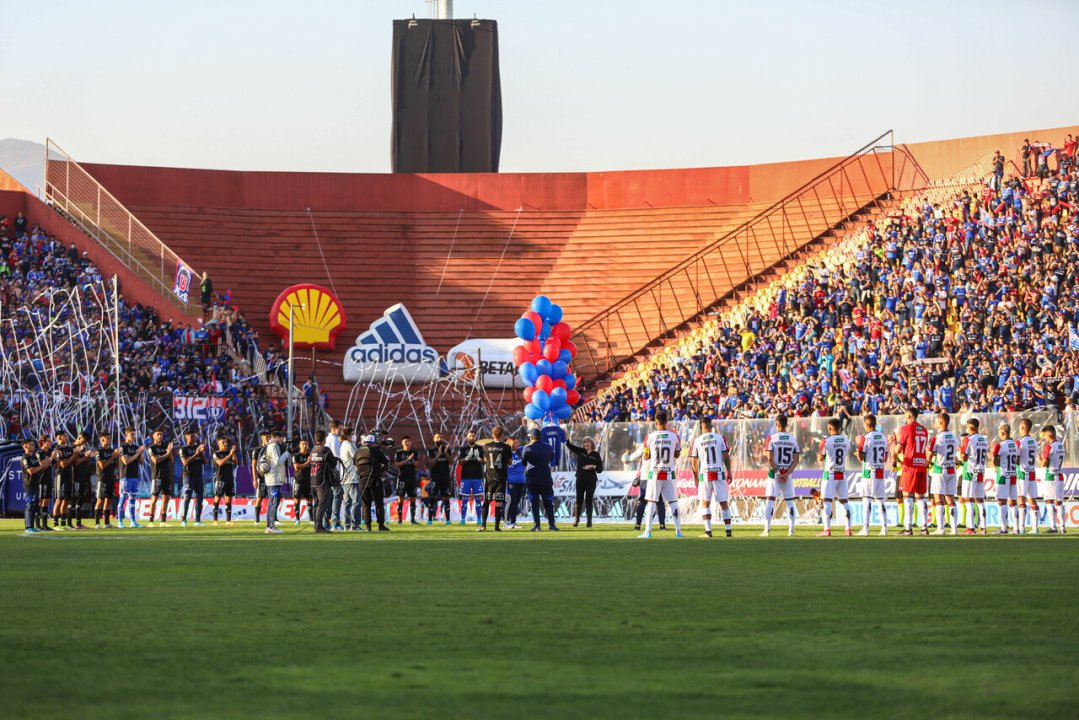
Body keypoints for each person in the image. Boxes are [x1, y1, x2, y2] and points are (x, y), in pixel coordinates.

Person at [638, 410, 683, 539]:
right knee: (673, 501)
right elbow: (677, 454)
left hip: (655, 473)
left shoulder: (650, 437)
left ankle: (648, 532)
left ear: (656, 422)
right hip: (669, 473)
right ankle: (678, 531)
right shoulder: (674, 436)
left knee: (651, 501)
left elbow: (646, 457)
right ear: (666, 422)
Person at [690, 417, 732, 538]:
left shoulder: (697, 441)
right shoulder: (720, 438)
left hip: (705, 475)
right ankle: (728, 531)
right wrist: (729, 472)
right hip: (719, 473)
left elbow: (693, 462)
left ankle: (708, 532)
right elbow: (726, 456)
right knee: (723, 502)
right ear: (711, 426)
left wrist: (696, 478)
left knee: (705, 503)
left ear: (701, 427)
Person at [762, 414, 801, 537]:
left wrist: (778, 473)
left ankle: (767, 530)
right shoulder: (793, 439)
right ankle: (791, 530)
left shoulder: (771, 438)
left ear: (776, 424)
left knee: (770, 501)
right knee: (790, 502)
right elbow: (796, 460)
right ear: (787, 424)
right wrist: (786, 474)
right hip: (787, 475)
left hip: (774, 474)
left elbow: (769, 458)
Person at [892, 408, 929, 536]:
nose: (904, 418)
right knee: (920, 497)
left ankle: (908, 528)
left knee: (907, 497)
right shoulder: (924, 430)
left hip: (910, 466)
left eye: (905, 416)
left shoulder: (905, 428)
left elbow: (898, 450)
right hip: (922, 465)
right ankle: (924, 528)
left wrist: (894, 442)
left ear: (909, 415)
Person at [817, 418, 852, 537]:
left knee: (827, 501)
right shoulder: (846, 440)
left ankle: (827, 530)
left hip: (829, 473)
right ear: (840, 428)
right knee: (844, 502)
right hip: (842, 472)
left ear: (830, 428)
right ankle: (848, 529)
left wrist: (820, 453)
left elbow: (821, 459)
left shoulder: (826, 441)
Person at [855, 414, 889, 536]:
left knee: (866, 499)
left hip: (868, 472)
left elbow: (862, 457)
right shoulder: (883, 437)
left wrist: (857, 454)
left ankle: (866, 528)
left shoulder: (865, 438)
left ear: (867, 424)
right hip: (880, 471)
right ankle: (884, 528)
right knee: (880, 500)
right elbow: (885, 458)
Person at [927, 413, 959, 535]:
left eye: (936, 422)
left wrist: (928, 459)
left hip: (939, 470)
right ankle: (954, 529)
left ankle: (941, 528)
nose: (935, 424)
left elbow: (929, 456)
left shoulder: (937, 438)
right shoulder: (953, 436)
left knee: (938, 499)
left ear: (941, 423)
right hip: (951, 469)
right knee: (950, 500)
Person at [521, 427, 558, 531]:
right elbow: (551, 459)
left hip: (532, 479)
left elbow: (524, 463)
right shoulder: (549, 447)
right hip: (546, 477)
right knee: (549, 502)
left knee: (534, 503)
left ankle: (537, 526)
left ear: (532, 438)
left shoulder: (527, 448)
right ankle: (552, 525)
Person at [957, 418, 989, 535]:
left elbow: (964, 458)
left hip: (969, 472)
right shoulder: (984, 439)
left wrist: (960, 451)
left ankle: (970, 528)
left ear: (970, 428)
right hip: (980, 471)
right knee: (980, 500)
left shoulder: (968, 439)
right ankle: (983, 527)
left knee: (968, 499)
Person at [565, 436, 603, 528]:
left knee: (589, 500)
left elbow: (600, 469)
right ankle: (576, 519)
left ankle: (589, 521)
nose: (586, 444)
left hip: (591, 480)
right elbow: (569, 445)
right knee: (579, 500)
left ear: (591, 444)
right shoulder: (580, 451)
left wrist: (592, 466)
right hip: (580, 479)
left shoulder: (596, 454)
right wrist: (565, 435)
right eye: (584, 442)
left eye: (588, 442)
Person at [355, 434, 390, 531]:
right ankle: (381, 526)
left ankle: (368, 526)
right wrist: (381, 469)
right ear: (374, 443)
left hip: (362, 480)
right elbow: (386, 463)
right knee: (379, 503)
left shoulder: (358, 451)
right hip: (375, 479)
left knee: (366, 504)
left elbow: (356, 465)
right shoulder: (376, 450)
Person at [479, 426, 511, 532]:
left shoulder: (486, 446)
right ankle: (496, 527)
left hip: (489, 478)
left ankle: (483, 525)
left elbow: (485, 459)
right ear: (502, 435)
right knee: (499, 503)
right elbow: (510, 462)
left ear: (492, 434)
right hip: (501, 478)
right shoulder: (506, 447)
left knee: (486, 501)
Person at [989, 424, 1020, 534]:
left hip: (1003, 476)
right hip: (1013, 475)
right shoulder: (1015, 445)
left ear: (1002, 432)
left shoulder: (1000, 445)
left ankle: (1003, 528)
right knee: (1013, 502)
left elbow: (995, 463)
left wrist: (994, 456)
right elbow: (1017, 461)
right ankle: (1016, 528)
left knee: (1002, 502)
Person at [1038, 425, 1065, 534]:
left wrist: (1039, 459)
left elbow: (1044, 464)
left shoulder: (1049, 447)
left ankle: (1053, 527)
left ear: (1049, 435)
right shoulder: (1061, 445)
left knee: (1048, 501)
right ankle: (1063, 527)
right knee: (1059, 502)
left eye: (1045, 436)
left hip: (1051, 476)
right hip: (1060, 475)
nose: (1045, 439)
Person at [1016, 418, 1040, 534]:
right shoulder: (1034, 442)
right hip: (1032, 472)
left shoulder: (1020, 442)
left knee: (1021, 498)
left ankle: (1021, 527)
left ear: (1022, 427)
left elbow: (1016, 459)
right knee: (1032, 500)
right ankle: (1035, 528)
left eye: (1020, 427)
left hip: (1022, 472)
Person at [20, 438, 50, 532]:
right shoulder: (25, 458)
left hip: (36, 483)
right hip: (29, 484)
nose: (33, 446)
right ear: (25, 446)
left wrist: (48, 461)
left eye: (33, 444)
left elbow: (41, 468)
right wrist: (41, 466)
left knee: (35, 505)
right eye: (31, 444)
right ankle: (28, 527)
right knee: (30, 505)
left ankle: (32, 527)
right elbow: (31, 471)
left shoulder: (33, 457)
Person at [147, 429, 175, 527]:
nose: (160, 436)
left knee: (166, 498)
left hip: (166, 476)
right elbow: (155, 460)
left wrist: (169, 451)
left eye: (161, 434)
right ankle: (151, 521)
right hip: (157, 476)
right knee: (154, 499)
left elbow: (172, 461)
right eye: (158, 434)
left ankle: (163, 521)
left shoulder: (165, 446)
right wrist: (166, 454)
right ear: (153, 436)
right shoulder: (151, 447)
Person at [456, 431, 485, 525]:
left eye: (473, 436)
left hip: (477, 477)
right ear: (467, 438)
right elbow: (460, 462)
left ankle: (479, 519)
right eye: (470, 436)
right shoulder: (463, 449)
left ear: (475, 437)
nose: (472, 438)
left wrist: (478, 459)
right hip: (466, 477)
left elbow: (484, 462)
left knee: (478, 499)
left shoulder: (480, 448)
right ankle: (463, 519)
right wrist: (467, 458)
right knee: (464, 499)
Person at [308, 431, 335, 533]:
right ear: (324, 439)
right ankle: (319, 526)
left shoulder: (313, 450)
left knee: (317, 504)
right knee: (322, 504)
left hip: (313, 480)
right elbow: (333, 462)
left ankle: (316, 524)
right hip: (322, 481)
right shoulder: (325, 449)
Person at [118, 427, 145, 528]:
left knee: (132, 499)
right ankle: (120, 521)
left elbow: (141, 462)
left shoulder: (135, 447)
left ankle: (133, 521)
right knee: (123, 498)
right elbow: (126, 461)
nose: (134, 436)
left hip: (134, 476)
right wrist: (137, 453)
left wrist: (140, 452)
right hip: (125, 476)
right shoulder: (123, 446)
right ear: (127, 435)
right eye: (132, 434)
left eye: (135, 434)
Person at [179, 431, 206, 526]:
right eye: (191, 436)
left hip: (198, 476)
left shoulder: (197, 447)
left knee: (200, 497)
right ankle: (184, 520)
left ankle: (197, 521)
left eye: (194, 437)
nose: (193, 438)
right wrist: (195, 454)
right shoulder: (183, 449)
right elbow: (185, 462)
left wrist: (201, 453)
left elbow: (205, 462)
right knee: (187, 497)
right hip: (188, 476)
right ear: (186, 437)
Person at [262, 430, 288, 534]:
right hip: (274, 478)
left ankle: (270, 526)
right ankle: (271, 527)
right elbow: (278, 461)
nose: (282, 440)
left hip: (272, 478)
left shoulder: (269, 446)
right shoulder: (274, 446)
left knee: (272, 503)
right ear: (276, 437)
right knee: (273, 503)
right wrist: (287, 453)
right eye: (281, 438)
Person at [93, 432, 120, 529]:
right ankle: (97, 523)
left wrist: (117, 457)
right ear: (102, 440)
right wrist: (112, 457)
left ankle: (107, 523)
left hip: (111, 478)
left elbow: (115, 465)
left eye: (110, 437)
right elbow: (102, 466)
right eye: (107, 438)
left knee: (109, 500)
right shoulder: (99, 451)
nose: (109, 439)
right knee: (100, 500)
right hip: (102, 478)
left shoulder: (111, 450)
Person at [51, 432, 75, 530]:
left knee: (66, 500)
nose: (67, 437)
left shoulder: (69, 448)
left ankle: (64, 523)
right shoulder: (57, 449)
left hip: (69, 476)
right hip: (60, 476)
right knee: (59, 500)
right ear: (59, 437)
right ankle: (56, 524)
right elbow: (63, 464)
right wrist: (74, 456)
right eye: (64, 436)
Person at [394, 436, 421, 525]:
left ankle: (412, 520)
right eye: (406, 441)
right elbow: (397, 465)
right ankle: (399, 520)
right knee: (400, 498)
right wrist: (407, 460)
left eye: (409, 441)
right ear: (402, 443)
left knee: (412, 498)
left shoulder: (414, 452)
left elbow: (417, 465)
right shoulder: (398, 453)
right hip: (402, 478)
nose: (408, 443)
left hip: (412, 479)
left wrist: (412, 459)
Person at [211, 437, 238, 526]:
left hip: (230, 478)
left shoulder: (229, 453)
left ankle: (228, 520)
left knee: (229, 498)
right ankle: (215, 520)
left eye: (226, 442)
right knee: (218, 497)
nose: (225, 444)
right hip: (221, 479)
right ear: (219, 444)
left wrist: (233, 453)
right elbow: (220, 463)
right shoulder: (216, 454)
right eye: (223, 442)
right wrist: (230, 455)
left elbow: (236, 462)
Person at [427, 433, 453, 525]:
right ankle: (430, 519)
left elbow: (451, 462)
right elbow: (431, 464)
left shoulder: (447, 449)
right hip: (435, 477)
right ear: (434, 439)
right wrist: (438, 454)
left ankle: (448, 520)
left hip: (445, 477)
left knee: (446, 497)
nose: (439, 439)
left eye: (441, 437)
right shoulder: (431, 450)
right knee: (432, 497)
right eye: (437, 437)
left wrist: (445, 453)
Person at [71, 433, 93, 530]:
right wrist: (84, 456)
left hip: (81, 476)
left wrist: (87, 457)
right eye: (83, 440)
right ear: (79, 437)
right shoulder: (73, 448)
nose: (84, 443)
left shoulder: (83, 448)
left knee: (80, 499)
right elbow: (75, 463)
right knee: (73, 500)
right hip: (74, 477)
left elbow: (86, 463)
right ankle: (68, 522)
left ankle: (78, 523)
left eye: (85, 441)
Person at [338, 427, 360, 531]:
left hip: (345, 478)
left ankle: (347, 525)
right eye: (352, 434)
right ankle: (354, 525)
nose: (354, 436)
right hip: (352, 478)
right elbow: (357, 457)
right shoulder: (348, 444)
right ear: (347, 435)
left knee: (347, 503)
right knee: (356, 501)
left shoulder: (344, 444)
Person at [504, 436, 527, 529]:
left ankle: (513, 522)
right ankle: (506, 522)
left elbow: (531, 444)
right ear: (510, 444)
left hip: (521, 482)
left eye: (518, 442)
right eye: (515, 443)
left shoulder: (521, 451)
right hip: (511, 482)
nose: (517, 444)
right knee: (511, 501)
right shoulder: (506, 454)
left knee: (516, 502)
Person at [326, 421, 345, 530]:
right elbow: (338, 456)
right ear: (334, 428)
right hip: (335, 472)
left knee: (330, 497)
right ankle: (335, 522)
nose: (341, 431)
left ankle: (327, 521)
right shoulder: (333, 440)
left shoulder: (329, 440)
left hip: (331, 472)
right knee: (337, 496)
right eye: (340, 429)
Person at [292, 439, 314, 524]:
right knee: (297, 499)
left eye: (306, 444)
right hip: (299, 480)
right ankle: (297, 519)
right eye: (303, 444)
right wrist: (307, 463)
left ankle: (311, 519)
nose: (304, 446)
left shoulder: (310, 455)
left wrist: (310, 463)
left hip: (308, 481)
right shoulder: (296, 455)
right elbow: (296, 467)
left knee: (309, 500)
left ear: (308, 445)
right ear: (299, 445)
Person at [251, 431, 270, 526]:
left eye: (269, 437)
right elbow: (253, 465)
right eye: (266, 436)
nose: (268, 438)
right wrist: (255, 479)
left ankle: (273, 519)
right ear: (262, 438)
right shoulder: (257, 450)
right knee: (259, 498)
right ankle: (257, 520)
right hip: (261, 477)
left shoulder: (271, 448)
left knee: (273, 498)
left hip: (270, 477)